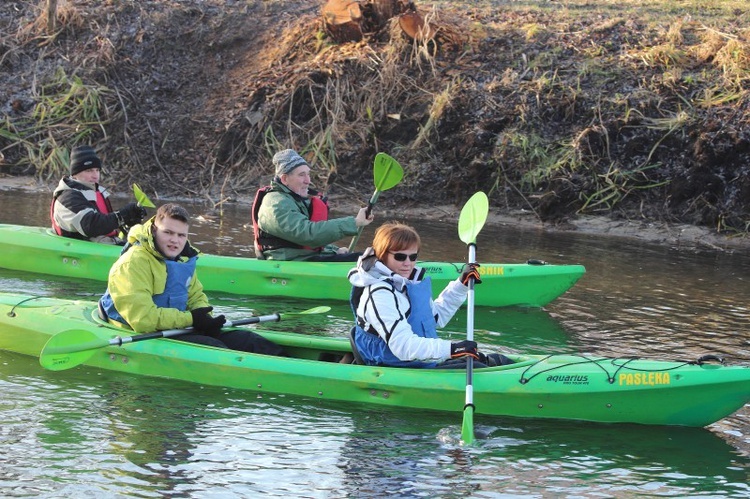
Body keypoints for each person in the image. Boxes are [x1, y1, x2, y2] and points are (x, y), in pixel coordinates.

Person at [99, 203, 285, 355]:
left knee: (249, 340)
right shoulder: (132, 263)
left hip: (174, 327)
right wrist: (192, 319)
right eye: (168, 232)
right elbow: (143, 320)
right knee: (214, 349)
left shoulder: (183, 259)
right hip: (140, 331)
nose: (175, 241)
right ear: (154, 230)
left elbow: (195, 296)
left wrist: (205, 317)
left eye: (181, 235)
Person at [347, 222, 513, 368]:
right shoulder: (379, 293)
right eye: (400, 256)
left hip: (415, 359)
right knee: (477, 367)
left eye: (413, 256)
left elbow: (436, 318)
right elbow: (402, 346)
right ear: (383, 255)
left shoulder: (407, 283)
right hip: (391, 364)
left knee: (495, 360)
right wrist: (452, 349)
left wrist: (460, 285)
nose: (407, 263)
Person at [252, 148, 375, 261]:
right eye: (301, 175)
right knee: (370, 261)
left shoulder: (292, 199)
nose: (308, 180)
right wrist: (354, 222)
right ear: (284, 179)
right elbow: (309, 234)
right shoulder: (275, 204)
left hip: (303, 258)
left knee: (370, 256)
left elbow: (300, 244)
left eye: (308, 174)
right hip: (289, 264)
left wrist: (334, 250)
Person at [51, 145, 146, 244]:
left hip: (103, 245)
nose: (95, 175)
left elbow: (104, 221)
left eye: (97, 170)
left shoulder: (97, 192)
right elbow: (91, 226)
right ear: (75, 174)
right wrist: (121, 216)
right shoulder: (68, 197)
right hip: (82, 251)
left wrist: (128, 219)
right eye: (89, 171)